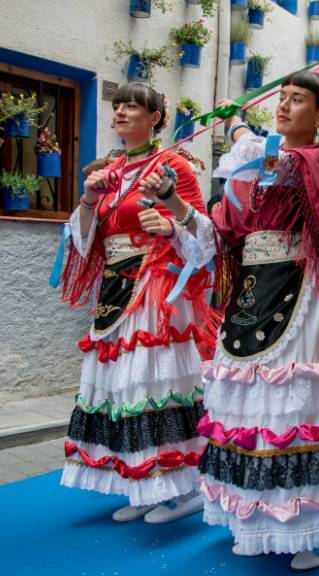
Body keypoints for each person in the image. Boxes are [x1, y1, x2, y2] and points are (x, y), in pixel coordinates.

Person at [178, 73, 319, 571]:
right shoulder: (253, 170)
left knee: (295, 409)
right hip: (251, 297)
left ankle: (316, 529)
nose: (284, 106)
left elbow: (279, 164)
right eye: (281, 98)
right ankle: (257, 520)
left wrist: (240, 128)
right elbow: (220, 232)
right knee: (251, 411)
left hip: (302, 296)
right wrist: (175, 207)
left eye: (297, 99)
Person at [58, 82, 215, 523]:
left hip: (157, 290)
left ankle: (186, 484)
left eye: (133, 106)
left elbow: (203, 232)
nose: (122, 112)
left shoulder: (173, 165)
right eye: (118, 105)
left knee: (154, 386)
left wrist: (169, 228)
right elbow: (85, 240)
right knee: (121, 389)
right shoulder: (109, 171)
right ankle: (144, 481)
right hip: (115, 289)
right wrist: (89, 197)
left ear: (155, 118)